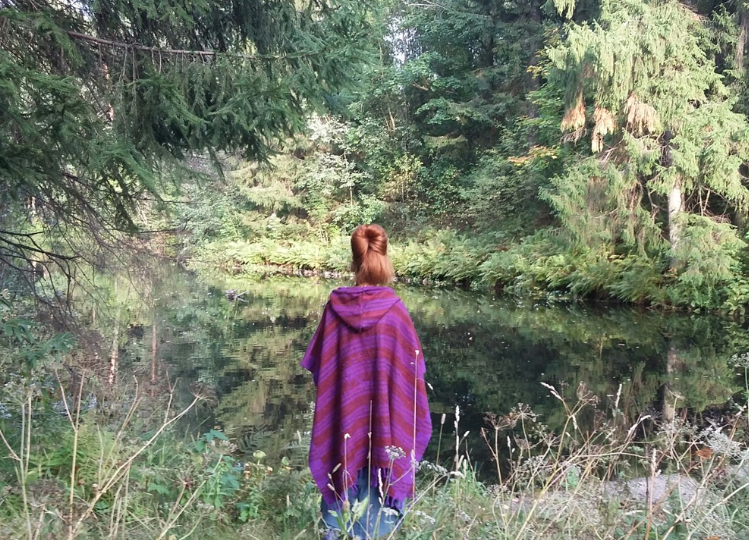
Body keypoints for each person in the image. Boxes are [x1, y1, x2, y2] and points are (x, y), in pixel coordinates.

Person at [301, 224, 432, 539]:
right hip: (387, 434)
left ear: (354, 260)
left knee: (340, 504)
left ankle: (338, 530)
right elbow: (413, 376)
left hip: (344, 429)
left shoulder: (334, 310)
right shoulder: (396, 313)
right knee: (377, 516)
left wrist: (349, 392)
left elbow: (321, 370)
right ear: (384, 259)